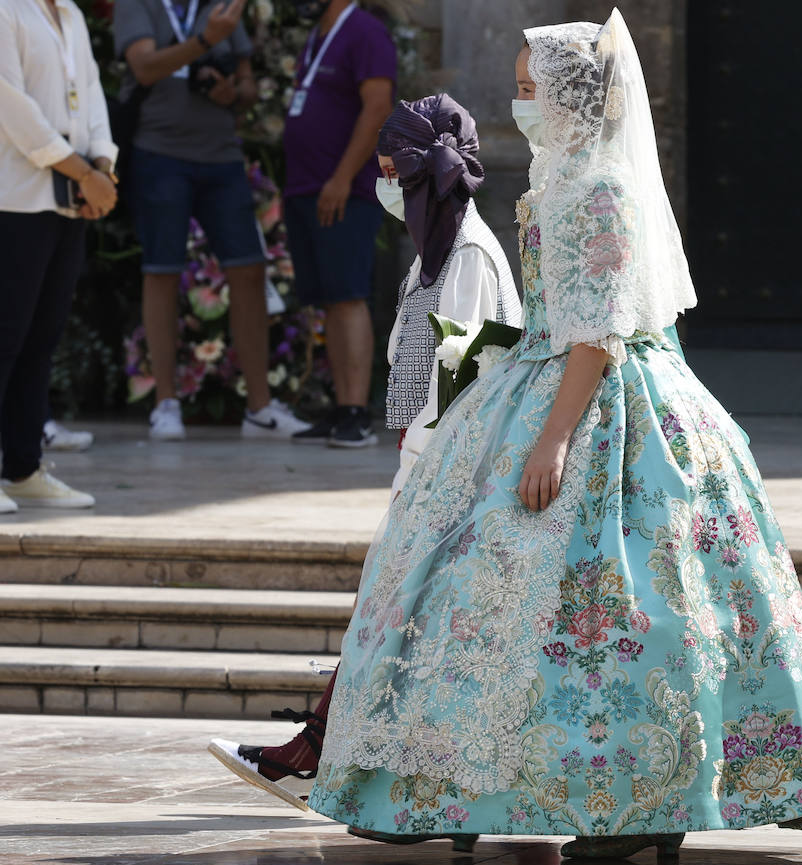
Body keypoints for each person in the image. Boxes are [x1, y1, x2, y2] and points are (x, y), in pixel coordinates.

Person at [305, 11, 802, 860]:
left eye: (531, 91)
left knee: (628, 600)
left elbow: (599, 332)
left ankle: (640, 807)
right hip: (542, 379)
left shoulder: (598, 186)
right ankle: (451, 782)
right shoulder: (562, 178)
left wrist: (553, 440)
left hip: (593, 395)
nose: (520, 104)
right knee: (466, 575)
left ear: (574, 98)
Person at [205, 96, 524, 815]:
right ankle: (320, 756)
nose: (380, 187)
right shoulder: (437, 251)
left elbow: (466, 384)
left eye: (388, 171)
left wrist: (420, 483)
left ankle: (315, 756)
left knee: (389, 616)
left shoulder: (467, 255)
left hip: (451, 481)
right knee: (385, 619)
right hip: (432, 471)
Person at [116, 0, 311, 442]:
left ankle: (259, 410)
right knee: (161, 271)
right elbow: (144, 68)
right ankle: (166, 403)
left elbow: (247, 85)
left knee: (248, 267)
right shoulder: (139, 5)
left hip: (221, 156)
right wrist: (205, 40)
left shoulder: (221, 7)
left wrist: (232, 92)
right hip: (158, 154)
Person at [0, 0, 116, 511]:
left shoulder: (68, 13)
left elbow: (90, 96)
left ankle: (23, 468)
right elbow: (12, 105)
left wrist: (102, 165)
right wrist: (82, 172)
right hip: (14, 197)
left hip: (68, 199)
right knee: (4, 332)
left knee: (41, 336)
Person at [282, 0, 397, 450]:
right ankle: (340, 406)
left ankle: (356, 413)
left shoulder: (365, 31)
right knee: (329, 299)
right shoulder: (317, 35)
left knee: (348, 296)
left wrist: (342, 178)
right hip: (308, 188)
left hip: (342, 190)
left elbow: (377, 107)